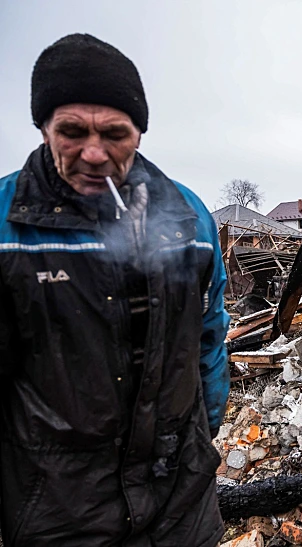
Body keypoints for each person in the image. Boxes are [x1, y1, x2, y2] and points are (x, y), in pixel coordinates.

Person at [0, 34, 230, 546]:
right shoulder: (5, 228)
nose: (94, 152)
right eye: (72, 131)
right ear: (43, 128)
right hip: (58, 502)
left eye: (115, 133)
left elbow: (209, 343)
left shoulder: (188, 219)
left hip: (180, 496)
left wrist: (198, 436)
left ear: (140, 133)